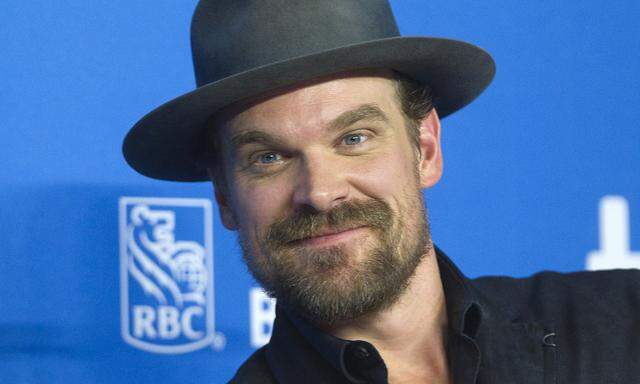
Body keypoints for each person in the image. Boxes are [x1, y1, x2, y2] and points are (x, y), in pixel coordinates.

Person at [123, 1, 640, 383]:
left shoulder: (620, 327)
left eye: (354, 138)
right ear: (225, 198)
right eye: (269, 157)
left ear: (426, 148)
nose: (321, 193)